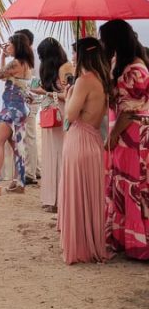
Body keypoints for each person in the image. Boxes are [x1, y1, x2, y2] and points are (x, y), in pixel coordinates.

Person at [57, 37, 111, 265]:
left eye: (74, 54)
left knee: (77, 193)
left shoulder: (84, 81)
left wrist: (69, 94)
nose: (72, 58)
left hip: (79, 140)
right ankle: (90, 243)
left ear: (82, 56)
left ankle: (79, 246)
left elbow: (69, 115)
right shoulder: (103, 79)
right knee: (89, 194)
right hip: (94, 140)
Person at [100, 19, 149, 260]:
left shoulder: (135, 70)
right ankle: (126, 239)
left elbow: (131, 111)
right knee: (124, 184)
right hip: (127, 131)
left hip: (133, 134)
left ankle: (137, 243)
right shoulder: (124, 64)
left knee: (134, 186)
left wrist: (113, 135)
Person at [0, 33, 34, 196]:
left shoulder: (16, 63)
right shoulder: (24, 64)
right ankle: (20, 182)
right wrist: (4, 58)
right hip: (19, 108)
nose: (7, 47)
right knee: (15, 145)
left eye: (9, 44)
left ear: (16, 46)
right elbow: (5, 77)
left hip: (11, 107)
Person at [34, 38, 74, 212]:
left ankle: (60, 198)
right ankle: (51, 198)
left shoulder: (66, 68)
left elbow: (70, 95)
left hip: (62, 112)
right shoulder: (54, 69)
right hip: (51, 114)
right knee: (50, 155)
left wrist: (47, 93)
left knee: (60, 154)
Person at [15, 29, 40, 183]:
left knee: (29, 136)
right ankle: (36, 169)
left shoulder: (28, 58)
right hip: (35, 97)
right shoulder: (34, 55)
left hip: (30, 98)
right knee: (31, 135)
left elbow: (35, 78)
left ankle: (30, 173)